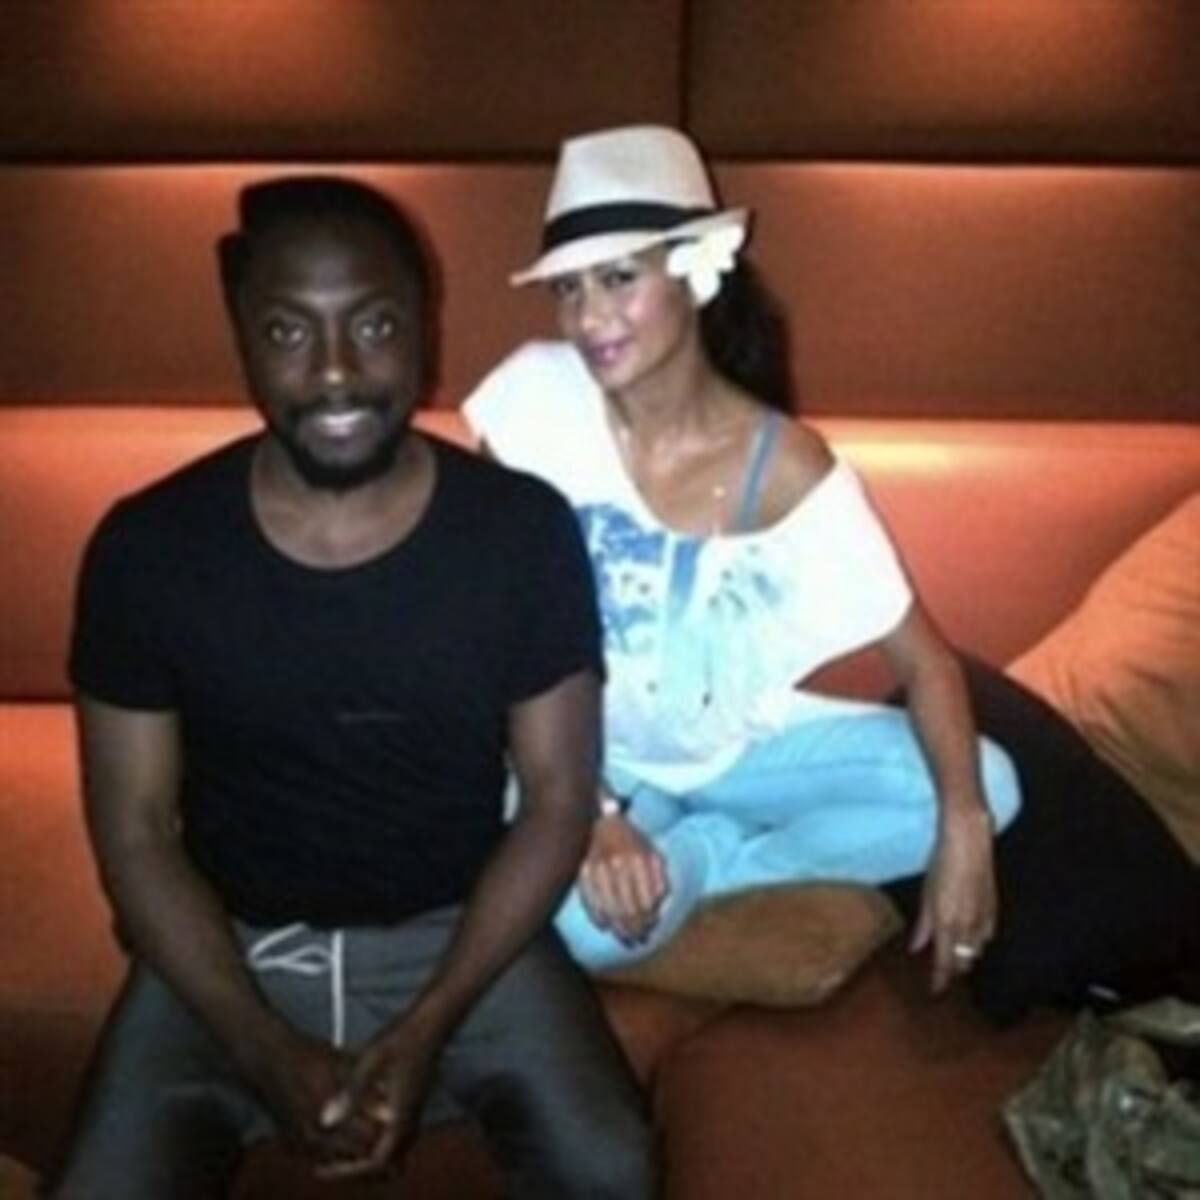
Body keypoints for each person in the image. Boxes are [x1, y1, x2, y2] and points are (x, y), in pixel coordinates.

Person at [47, 176, 655, 1199]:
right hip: (230, 947)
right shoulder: (148, 548)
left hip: (462, 939)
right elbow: (135, 832)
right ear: (242, 335)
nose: (335, 371)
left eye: (374, 325)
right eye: (289, 332)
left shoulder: (518, 534)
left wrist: (428, 1026)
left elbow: (557, 799)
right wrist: (258, 1046)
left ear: (425, 324)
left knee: (613, 1171)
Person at [464, 125, 1023, 996]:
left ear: (695, 269)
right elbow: (487, 625)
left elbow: (926, 663)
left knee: (991, 784)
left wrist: (965, 830)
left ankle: (710, 860)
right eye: (569, 288)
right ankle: (661, 866)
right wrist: (596, 814)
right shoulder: (533, 402)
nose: (588, 317)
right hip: (579, 752)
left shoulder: (785, 462)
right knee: (581, 932)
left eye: (619, 277)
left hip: (739, 756)